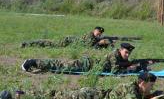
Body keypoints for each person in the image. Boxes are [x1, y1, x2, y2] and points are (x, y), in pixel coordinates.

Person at [1, 72, 164, 99]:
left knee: (56, 95)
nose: (150, 89)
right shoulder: (131, 89)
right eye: (149, 86)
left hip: (91, 94)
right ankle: (16, 97)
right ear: (142, 83)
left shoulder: (135, 87)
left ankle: (21, 94)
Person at [21, 43, 150, 74]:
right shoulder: (114, 55)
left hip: (89, 64)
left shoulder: (121, 57)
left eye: (128, 53)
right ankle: (33, 62)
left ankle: (36, 63)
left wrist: (137, 66)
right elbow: (115, 71)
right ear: (121, 49)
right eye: (126, 52)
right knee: (60, 65)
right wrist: (132, 69)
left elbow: (125, 64)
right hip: (86, 64)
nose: (127, 55)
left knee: (60, 64)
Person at [20, 26, 112, 49]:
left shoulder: (94, 37)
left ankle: (28, 43)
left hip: (70, 42)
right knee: (49, 43)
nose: (99, 34)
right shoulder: (90, 35)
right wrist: (100, 43)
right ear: (94, 30)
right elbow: (89, 46)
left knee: (49, 43)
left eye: (100, 34)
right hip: (68, 41)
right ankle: (27, 44)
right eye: (98, 32)